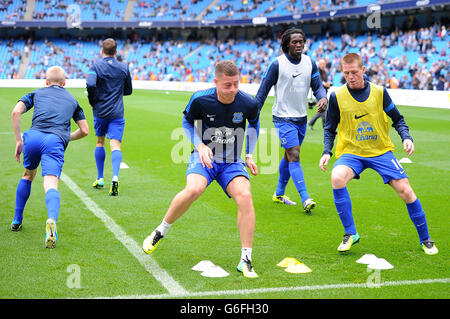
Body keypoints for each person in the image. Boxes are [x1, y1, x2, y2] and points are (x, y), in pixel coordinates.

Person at [142, 60, 261, 278]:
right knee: (194, 189)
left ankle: (246, 258)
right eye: (227, 85)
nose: (233, 89)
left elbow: (255, 124)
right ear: (215, 82)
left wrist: (249, 155)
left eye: (236, 84)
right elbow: (187, 123)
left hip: (233, 161)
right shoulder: (200, 99)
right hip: (204, 156)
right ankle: (160, 231)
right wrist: (200, 145)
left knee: (245, 195)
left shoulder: (248, 103)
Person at [319, 53, 438, 255]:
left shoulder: (380, 92)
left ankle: (425, 238)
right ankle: (350, 233)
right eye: (346, 73)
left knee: (406, 190)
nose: (350, 77)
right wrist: (327, 151)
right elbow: (330, 128)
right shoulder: (336, 96)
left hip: (381, 151)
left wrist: (406, 137)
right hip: (352, 152)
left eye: (354, 72)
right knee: (336, 177)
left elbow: (398, 119)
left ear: (363, 70)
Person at [11, 66, 89, 249]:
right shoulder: (72, 99)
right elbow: (85, 130)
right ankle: (51, 221)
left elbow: (15, 112)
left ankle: (17, 219)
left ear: (46, 82)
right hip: (54, 141)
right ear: (64, 83)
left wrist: (18, 141)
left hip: (33, 137)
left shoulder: (36, 93)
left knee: (28, 175)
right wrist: (64, 136)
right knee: (51, 184)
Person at [256, 28, 328, 212]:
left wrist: (323, 98)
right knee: (294, 154)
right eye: (295, 42)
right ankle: (305, 198)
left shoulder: (309, 62)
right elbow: (263, 90)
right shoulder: (277, 64)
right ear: (287, 43)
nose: (299, 45)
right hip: (282, 118)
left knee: (288, 155)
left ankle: (279, 193)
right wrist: (253, 112)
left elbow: (318, 86)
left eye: (301, 41)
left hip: (301, 118)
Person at [86, 38, 132, 196]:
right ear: (116, 51)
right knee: (116, 145)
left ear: (102, 51)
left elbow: (91, 84)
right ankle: (115, 177)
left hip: (100, 111)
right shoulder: (124, 68)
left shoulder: (95, 67)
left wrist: (93, 101)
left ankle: (100, 178)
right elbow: (128, 90)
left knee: (100, 142)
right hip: (117, 112)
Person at [308, 59, 331, 130]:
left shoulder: (325, 72)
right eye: (321, 64)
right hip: (319, 94)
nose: (323, 65)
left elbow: (325, 81)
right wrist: (325, 84)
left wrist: (328, 84)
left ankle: (310, 123)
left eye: (324, 64)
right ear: (319, 64)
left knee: (320, 112)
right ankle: (325, 127)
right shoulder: (317, 72)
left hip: (324, 92)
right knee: (323, 110)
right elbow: (318, 83)